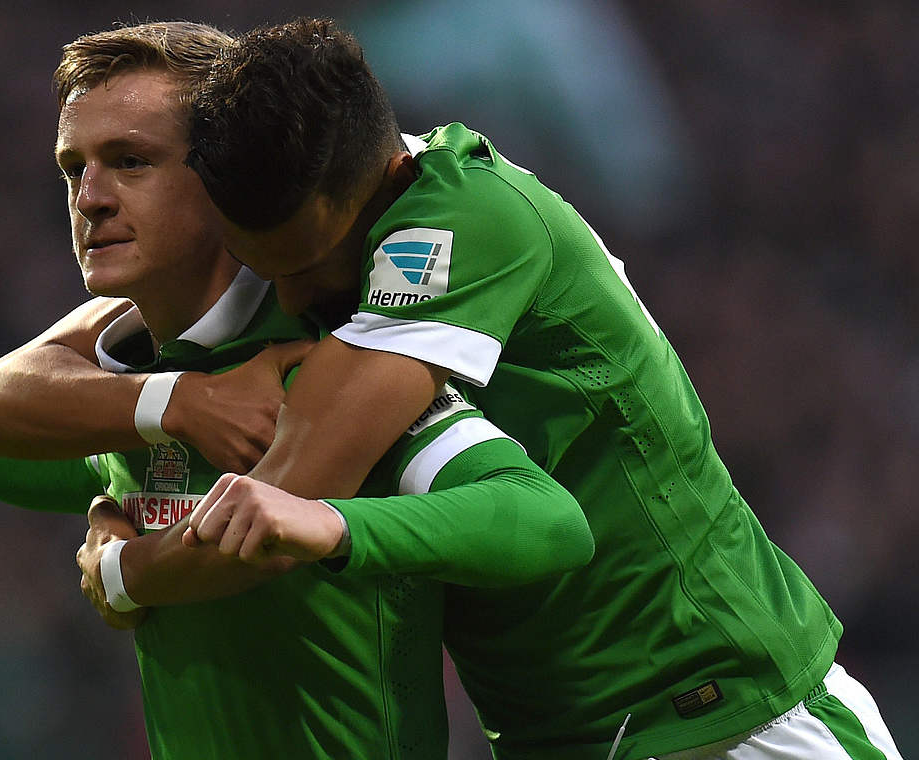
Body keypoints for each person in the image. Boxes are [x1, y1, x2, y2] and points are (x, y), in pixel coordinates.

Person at [0, 21, 593, 759]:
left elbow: (545, 517)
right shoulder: (145, 371)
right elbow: (76, 460)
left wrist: (324, 526)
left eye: (130, 161)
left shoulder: (324, 368)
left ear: (221, 174)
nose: (90, 197)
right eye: (74, 168)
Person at [165, 16, 901, 760]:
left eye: (308, 264)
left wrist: (123, 567)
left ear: (391, 182)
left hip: (728, 714)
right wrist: (156, 402)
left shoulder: (461, 220)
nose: (288, 301)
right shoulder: (355, 221)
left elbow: (289, 502)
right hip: (566, 736)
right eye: (261, 267)